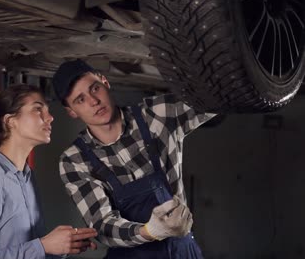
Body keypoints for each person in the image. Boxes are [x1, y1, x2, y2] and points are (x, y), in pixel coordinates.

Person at [52, 59, 216, 258]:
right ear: (71, 112)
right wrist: (150, 231)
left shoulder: (157, 115)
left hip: (183, 251)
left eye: (95, 88)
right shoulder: (75, 160)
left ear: (105, 82)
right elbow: (102, 225)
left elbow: (216, 98)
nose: (93, 101)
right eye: (80, 100)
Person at [0, 84, 98, 259]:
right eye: (38, 109)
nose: (50, 117)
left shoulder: (26, 177)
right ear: (10, 121)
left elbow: (31, 250)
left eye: (48, 110)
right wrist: (43, 246)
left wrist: (62, 246)